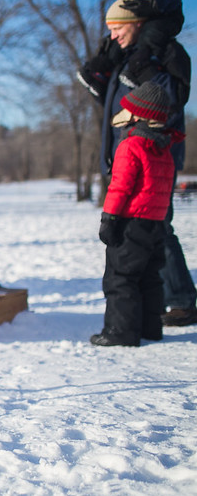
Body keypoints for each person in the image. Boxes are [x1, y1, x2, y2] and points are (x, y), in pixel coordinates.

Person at [89, 0, 196, 327]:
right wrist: (97, 73)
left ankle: (179, 300)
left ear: (137, 23)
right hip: (128, 150)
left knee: (157, 226)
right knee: (144, 231)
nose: (114, 35)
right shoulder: (128, 56)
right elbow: (118, 100)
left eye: (118, 27)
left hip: (153, 152)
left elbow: (168, 98)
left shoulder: (164, 51)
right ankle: (155, 304)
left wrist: (142, 66)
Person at [92, 82, 183, 346]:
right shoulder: (164, 148)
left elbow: (120, 187)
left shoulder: (131, 145)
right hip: (155, 223)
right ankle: (150, 327)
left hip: (130, 223)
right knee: (149, 277)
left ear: (138, 115)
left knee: (120, 277)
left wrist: (109, 219)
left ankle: (120, 332)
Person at [78, 0, 184, 96]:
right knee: (113, 44)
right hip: (142, 20)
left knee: (150, 35)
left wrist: (154, 3)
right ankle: (103, 75)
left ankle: (141, 68)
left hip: (165, 15)